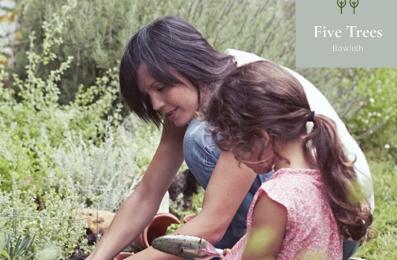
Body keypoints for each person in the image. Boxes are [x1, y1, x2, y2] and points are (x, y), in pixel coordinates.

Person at [86, 16, 374, 260]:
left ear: (187, 65)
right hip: (333, 224)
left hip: (335, 227)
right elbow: (147, 192)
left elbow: (212, 223)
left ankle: (244, 245)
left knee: (199, 139)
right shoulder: (191, 95)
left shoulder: (241, 92)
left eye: (161, 87)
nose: (157, 104)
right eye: (148, 97)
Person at [205, 61, 373, 259]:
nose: (239, 161)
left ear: (261, 138)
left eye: (236, 149)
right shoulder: (325, 173)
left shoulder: (276, 198)